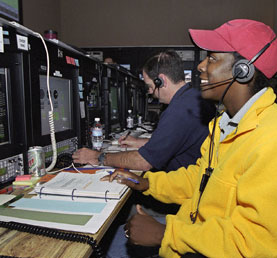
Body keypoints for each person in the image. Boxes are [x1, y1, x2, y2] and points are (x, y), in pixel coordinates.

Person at [89, 19, 277, 258]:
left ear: (243, 71)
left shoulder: (275, 137)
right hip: (201, 235)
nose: (201, 66)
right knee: (111, 245)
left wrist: (165, 233)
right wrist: (147, 182)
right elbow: (200, 179)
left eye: (213, 59)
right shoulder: (227, 123)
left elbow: (257, 243)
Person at [73, 50, 215, 172]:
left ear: (161, 81)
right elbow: (173, 141)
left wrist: (98, 157)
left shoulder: (178, 110)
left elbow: (143, 161)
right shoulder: (192, 98)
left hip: (180, 188)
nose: (150, 92)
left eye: (150, 86)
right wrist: (139, 142)